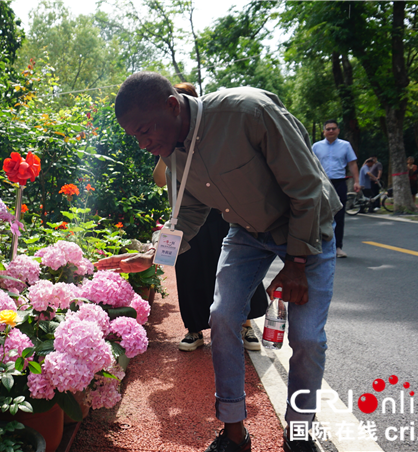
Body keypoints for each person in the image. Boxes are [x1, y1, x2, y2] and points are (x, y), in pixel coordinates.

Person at [96, 72, 341, 452]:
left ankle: (298, 434)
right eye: (136, 137)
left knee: (307, 338)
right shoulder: (173, 151)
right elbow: (186, 216)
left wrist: (296, 261)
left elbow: (307, 188)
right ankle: (234, 433)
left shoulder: (248, 112)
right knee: (223, 316)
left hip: (306, 227)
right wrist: (150, 254)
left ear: (172, 106)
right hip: (246, 232)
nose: (144, 144)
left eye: (146, 131)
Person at [152, 82, 267, 353]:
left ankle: (245, 325)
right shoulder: (167, 145)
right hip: (187, 218)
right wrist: (165, 151)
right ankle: (194, 329)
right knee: (190, 272)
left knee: (232, 272)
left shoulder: (214, 135)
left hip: (222, 215)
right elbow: (159, 180)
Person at [311, 120, 360, 259]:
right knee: (318, 214)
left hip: (339, 183)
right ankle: (318, 245)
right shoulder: (316, 146)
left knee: (338, 216)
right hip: (321, 183)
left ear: (338, 130)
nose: (331, 131)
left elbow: (352, 163)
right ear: (324, 132)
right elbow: (309, 164)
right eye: (328, 129)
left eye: (333, 129)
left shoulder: (345, 145)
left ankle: (338, 247)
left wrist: (356, 181)